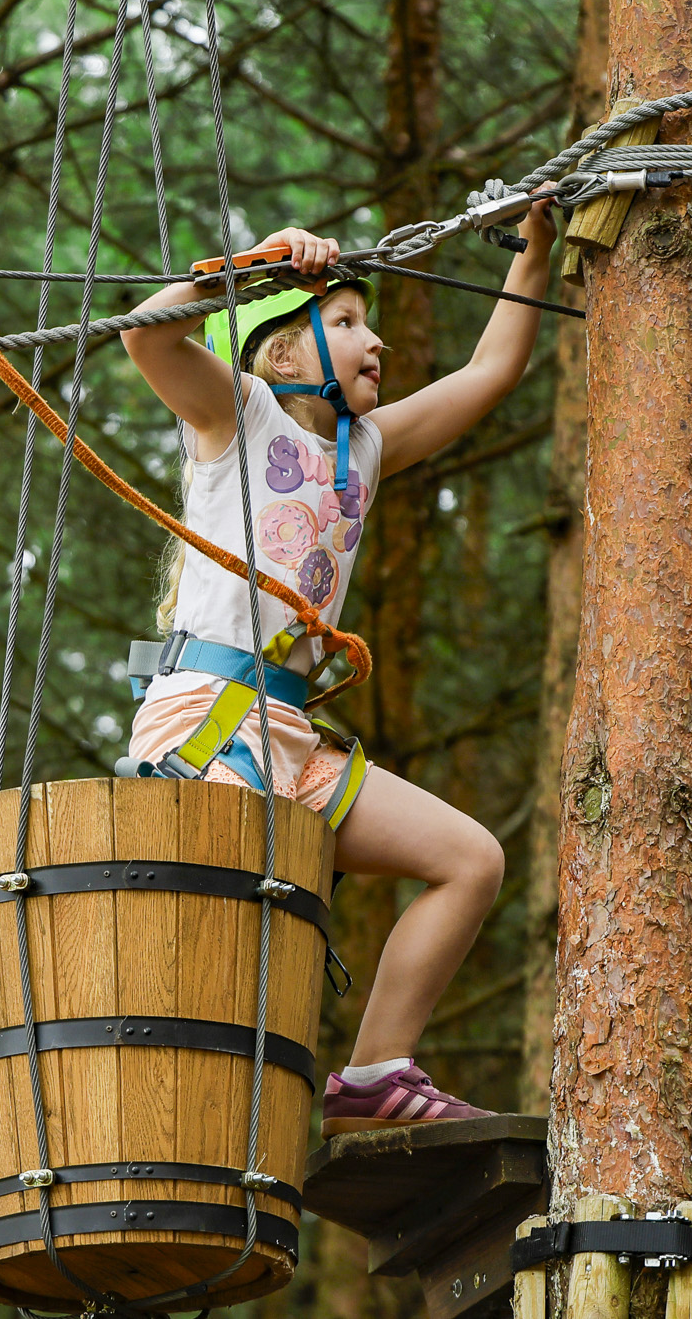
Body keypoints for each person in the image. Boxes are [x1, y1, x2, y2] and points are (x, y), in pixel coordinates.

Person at [118, 199, 555, 1135]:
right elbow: (146, 338)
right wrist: (248, 270)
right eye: (348, 321)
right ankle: (168, 1120)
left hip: (290, 732)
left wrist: (533, 254)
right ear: (281, 352)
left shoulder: (367, 446)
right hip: (209, 720)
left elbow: (491, 371)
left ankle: (373, 1073)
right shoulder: (238, 416)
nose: (377, 339)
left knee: (471, 860)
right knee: (217, 950)